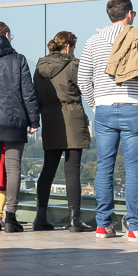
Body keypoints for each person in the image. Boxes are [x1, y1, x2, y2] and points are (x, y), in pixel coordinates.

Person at [78, 0, 138, 242]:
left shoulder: (92, 42)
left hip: (104, 110)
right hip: (134, 108)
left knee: (104, 167)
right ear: (128, 14)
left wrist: (96, 105)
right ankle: (136, 227)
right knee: (134, 170)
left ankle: (103, 225)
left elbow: (83, 79)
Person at [0, 21, 39, 233]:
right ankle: (11, 218)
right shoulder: (19, 59)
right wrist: (34, 120)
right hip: (14, 120)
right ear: (6, 35)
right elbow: (28, 93)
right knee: (13, 168)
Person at [33, 31, 93, 232]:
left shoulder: (40, 68)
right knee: (72, 171)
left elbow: (36, 96)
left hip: (49, 120)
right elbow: (86, 87)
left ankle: (40, 217)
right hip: (73, 120)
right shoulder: (73, 65)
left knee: (47, 170)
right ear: (68, 47)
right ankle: (75, 220)